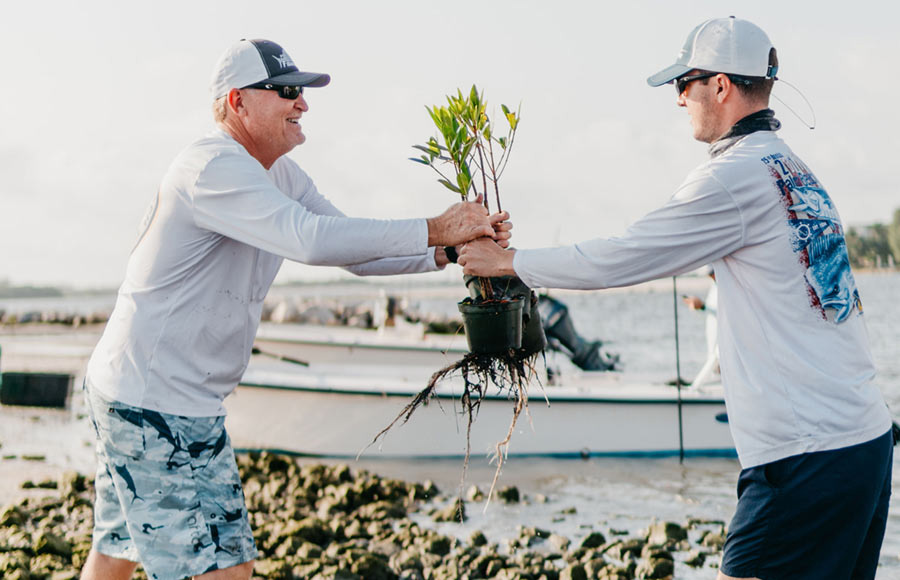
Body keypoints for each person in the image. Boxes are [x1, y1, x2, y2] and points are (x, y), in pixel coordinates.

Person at [459, 17, 892, 580]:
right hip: (864, 442)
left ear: (720, 86)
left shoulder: (732, 177)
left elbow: (624, 256)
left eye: (684, 83)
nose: (679, 98)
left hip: (805, 458)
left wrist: (510, 263)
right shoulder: (790, 167)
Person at [80, 38, 510, 580]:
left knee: (119, 550)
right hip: (154, 402)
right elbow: (309, 240)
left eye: (302, 92)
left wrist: (447, 251)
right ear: (236, 101)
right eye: (286, 91)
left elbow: (352, 252)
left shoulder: (276, 173)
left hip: (152, 394)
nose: (302, 103)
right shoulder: (212, 168)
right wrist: (436, 224)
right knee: (224, 571)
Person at [682, 267, 719, 388]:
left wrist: (702, 306)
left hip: (723, 336)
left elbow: (725, 313)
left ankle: (695, 388)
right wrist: (698, 306)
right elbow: (710, 309)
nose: (711, 276)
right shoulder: (714, 287)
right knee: (713, 359)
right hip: (713, 332)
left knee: (716, 358)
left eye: (712, 273)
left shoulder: (727, 286)